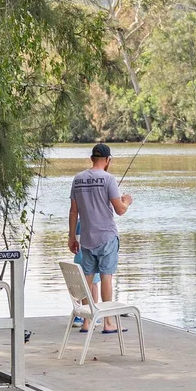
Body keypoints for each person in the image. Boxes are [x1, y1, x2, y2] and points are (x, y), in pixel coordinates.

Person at [68, 142, 133, 333]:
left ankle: (87, 322)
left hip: (86, 238)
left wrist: (72, 237)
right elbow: (119, 210)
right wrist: (126, 201)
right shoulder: (108, 179)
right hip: (106, 237)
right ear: (108, 160)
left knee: (88, 279)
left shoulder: (77, 179)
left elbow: (73, 211)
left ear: (91, 159)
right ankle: (108, 323)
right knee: (106, 277)